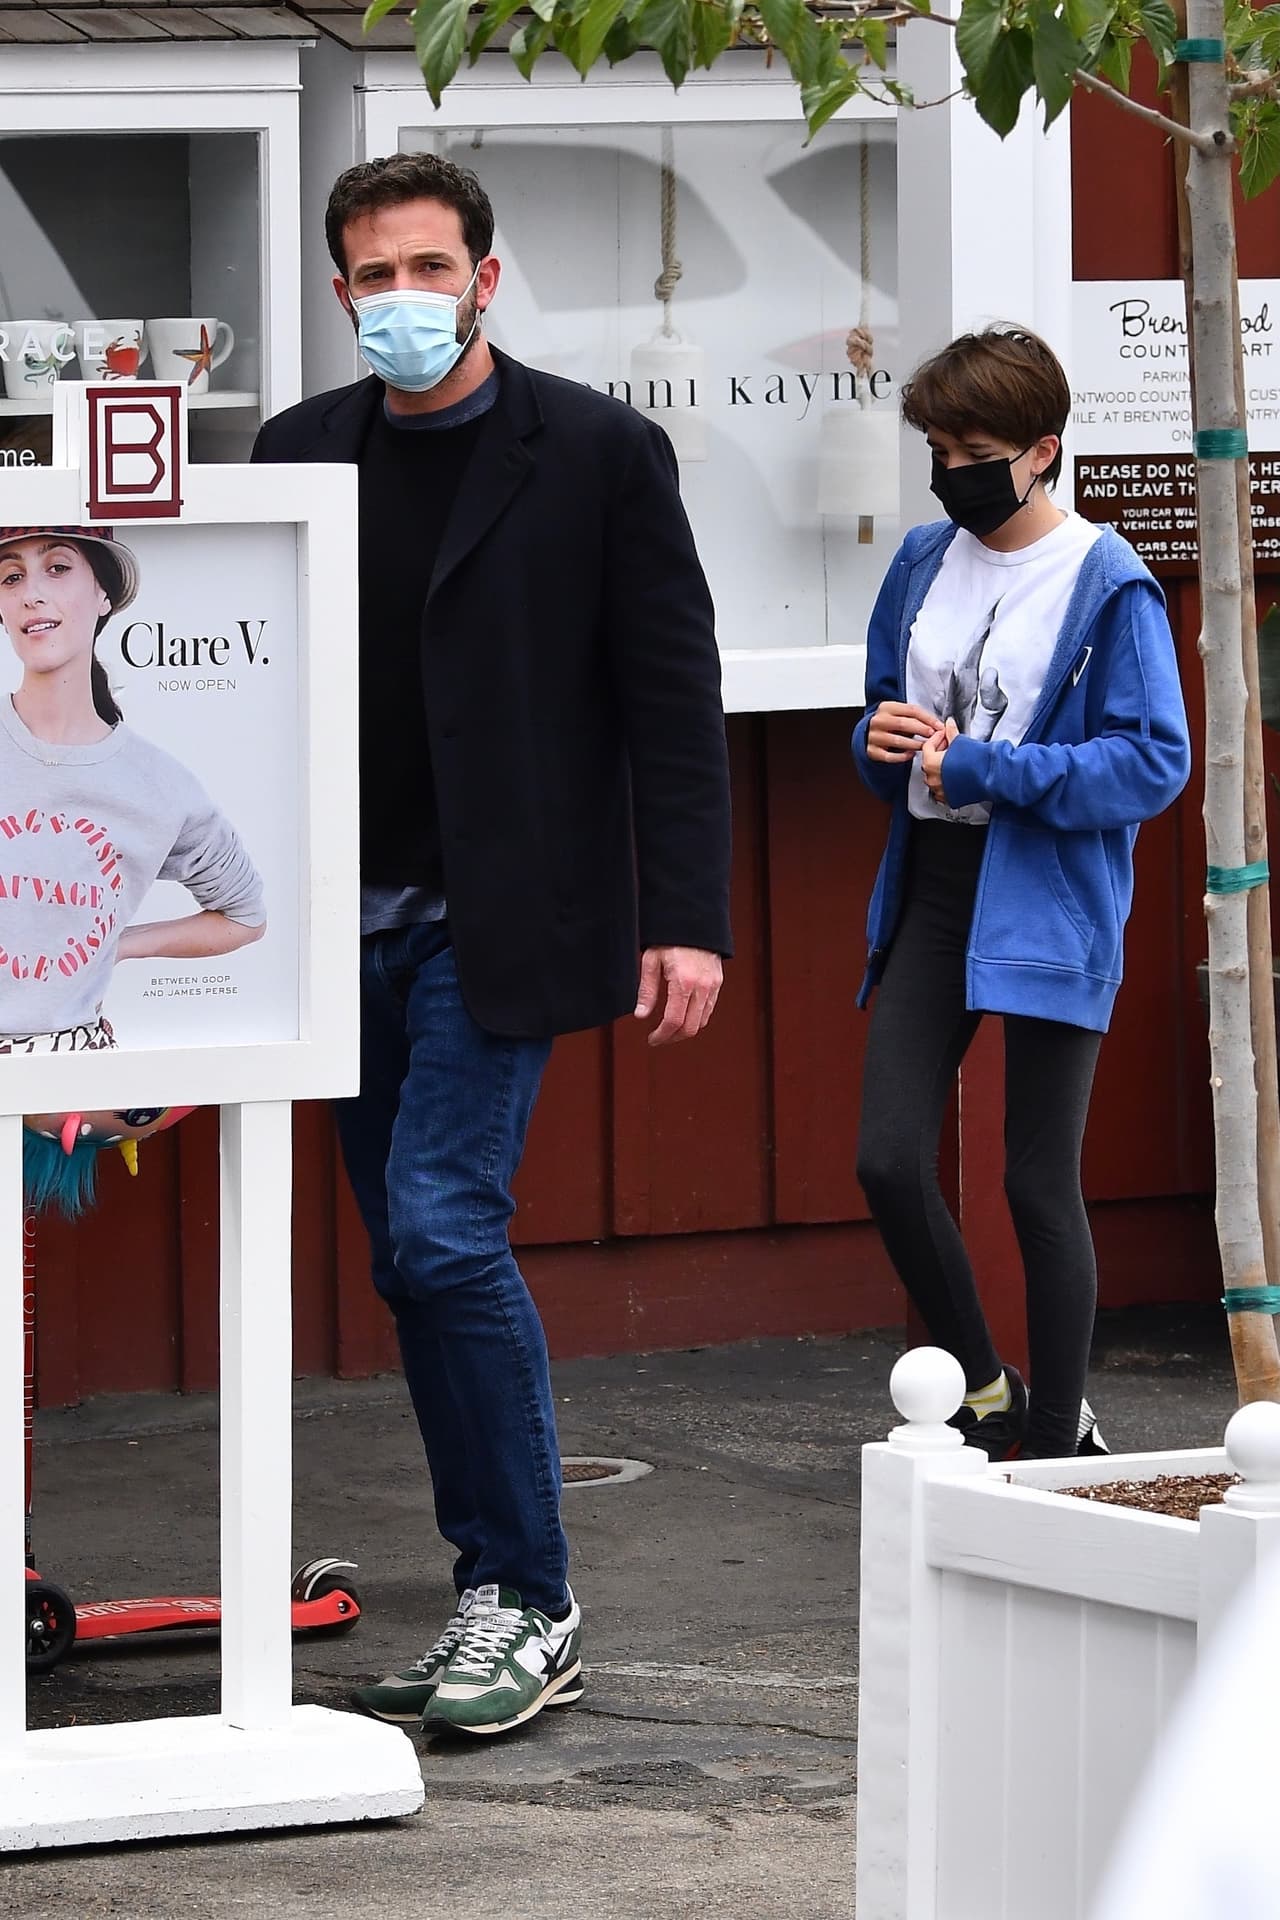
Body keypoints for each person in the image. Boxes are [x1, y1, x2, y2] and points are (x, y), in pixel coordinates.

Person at [251, 153, 731, 1737]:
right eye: (373, 277)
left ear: (486, 278)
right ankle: (490, 1585)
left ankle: (528, 1595)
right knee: (406, 1256)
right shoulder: (298, 452)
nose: (402, 299)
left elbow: (671, 701)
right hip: (336, 934)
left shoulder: (595, 451)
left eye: (428, 270)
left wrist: (691, 922)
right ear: (340, 293)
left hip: (500, 922)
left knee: (444, 1233)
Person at [851, 325, 1190, 1461]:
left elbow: (1150, 764)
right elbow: (872, 725)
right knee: (885, 1157)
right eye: (937, 446)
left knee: (1036, 1180)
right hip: (933, 889)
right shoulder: (916, 562)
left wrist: (988, 766)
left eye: (974, 447)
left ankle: (1054, 1440)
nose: (951, 469)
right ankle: (988, 1388)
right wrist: (877, 738)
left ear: (1041, 450)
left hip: (1045, 893)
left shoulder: (1107, 584)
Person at [0, 525, 266, 1054]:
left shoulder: (159, 786)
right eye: (11, 577)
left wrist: (118, 945)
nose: (32, 593)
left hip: (65, 1099)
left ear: (103, 593)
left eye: (58, 568)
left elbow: (244, 916)